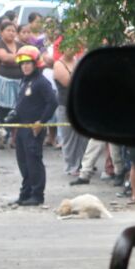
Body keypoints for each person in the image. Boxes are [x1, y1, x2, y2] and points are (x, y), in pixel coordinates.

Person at [9, 45, 57, 207]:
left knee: (33, 161)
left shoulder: (41, 82)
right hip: (22, 127)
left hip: (34, 129)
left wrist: (41, 121)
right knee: (23, 162)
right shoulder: (25, 81)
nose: (25, 66)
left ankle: (37, 195)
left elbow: (52, 102)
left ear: (36, 63)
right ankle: (25, 193)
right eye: (22, 64)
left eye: (28, 63)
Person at [53, 47, 86, 178]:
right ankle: (71, 166)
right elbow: (68, 82)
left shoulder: (77, 61)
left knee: (83, 137)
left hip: (80, 104)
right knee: (69, 138)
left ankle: (82, 165)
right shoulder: (58, 64)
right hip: (65, 105)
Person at [0, 21, 22, 148]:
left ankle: (15, 139)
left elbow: (30, 57)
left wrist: (13, 58)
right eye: (8, 30)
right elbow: (6, 58)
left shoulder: (20, 44)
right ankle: (0, 138)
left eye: (13, 30)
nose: (11, 33)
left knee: (18, 110)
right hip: (2, 82)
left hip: (19, 81)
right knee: (1, 110)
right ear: (1, 32)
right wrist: (19, 57)